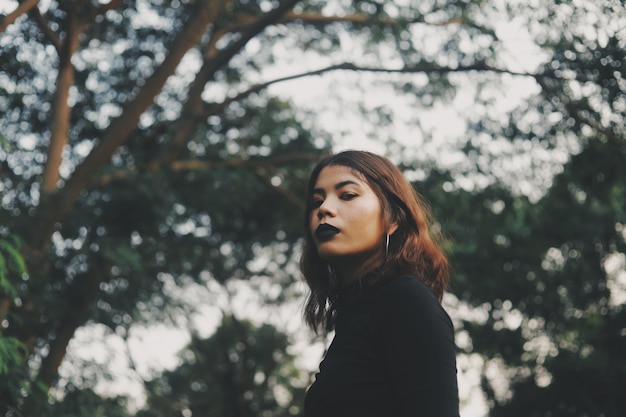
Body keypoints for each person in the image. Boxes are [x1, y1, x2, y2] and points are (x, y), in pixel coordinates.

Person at [301, 150, 460, 417]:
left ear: (393, 219)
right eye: (317, 201)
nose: (324, 209)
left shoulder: (406, 301)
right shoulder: (356, 316)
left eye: (347, 195)